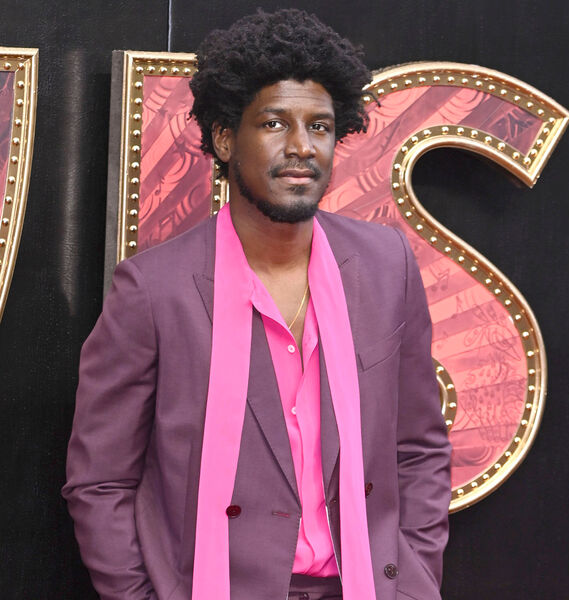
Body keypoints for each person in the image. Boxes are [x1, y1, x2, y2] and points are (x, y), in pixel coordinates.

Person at [63, 9, 451, 600]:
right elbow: (100, 482)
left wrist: (413, 580)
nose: (301, 147)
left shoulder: (385, 265)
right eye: (274, 123)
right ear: (225, 138)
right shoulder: (152, 290)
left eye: (319, 127)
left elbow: (418, 448)